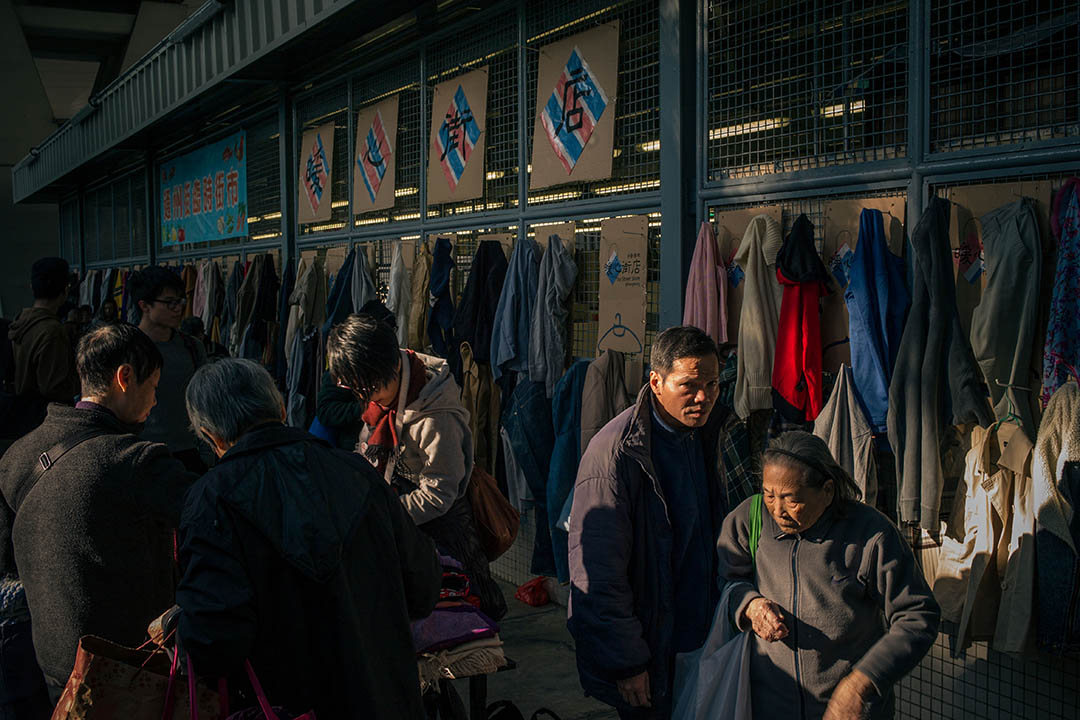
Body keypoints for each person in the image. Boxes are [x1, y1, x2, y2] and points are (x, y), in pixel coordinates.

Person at [175, 359, 440, 718]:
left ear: (210, 436)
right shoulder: (357, 472)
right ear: (281, 409)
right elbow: (422, 586)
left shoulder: (211, 500)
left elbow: (215, 643)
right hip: (385, 701)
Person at [0, 324, 194, 701]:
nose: (154, 401)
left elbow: (6, 562)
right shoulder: (135, 461)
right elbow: (209, 520)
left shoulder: (16, 456)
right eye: (153, 387)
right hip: (125, 665)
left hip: (52, 661)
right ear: (125, 378)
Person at [717, 431, 940, 720]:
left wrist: (863, 681)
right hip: (767, 705)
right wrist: (749, 604)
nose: (777, 510)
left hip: (850, 711)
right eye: (769, 494)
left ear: (827, 491)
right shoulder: (749, 518)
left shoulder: (871, 534)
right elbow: (728, 581)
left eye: (791, 499)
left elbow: (918, 615)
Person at [568, 325, 729, 719]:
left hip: (706, 639)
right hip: (652, 650)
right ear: (656, 382)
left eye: (712, 383)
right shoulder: (616, 455)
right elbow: (598, 574)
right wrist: (628, 663)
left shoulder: (713, 432)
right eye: (689, 385)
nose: (703, 396)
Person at [326, 313, 507, 620]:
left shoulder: (436, 416)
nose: (366, 399)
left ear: (391, 367)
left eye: (369, 389)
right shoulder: (380, 399)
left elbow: (440, 493)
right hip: (406, 523)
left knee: (462, 622)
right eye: (360, 392)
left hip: (446, 531)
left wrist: (386, 513)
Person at [129, 266, 208, 472]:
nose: (177, 308)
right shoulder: (127, 348)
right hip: (142, 453)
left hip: (189, 452)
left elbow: (204, 400)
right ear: (144, 305)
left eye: (180, 301)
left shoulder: (192, 347)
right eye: (169, 302)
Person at [6, 258, 79, 438]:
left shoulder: (20, 321)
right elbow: (54, 387)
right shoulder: (52, 331)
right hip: (45, 422)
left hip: (21, 415)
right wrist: (81, 380)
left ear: (32, 287)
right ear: (65, 289)